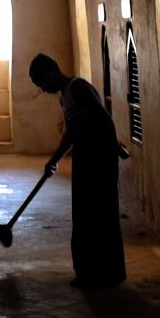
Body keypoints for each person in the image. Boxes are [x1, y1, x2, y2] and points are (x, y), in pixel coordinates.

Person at [29, 53, 126, 290]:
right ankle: (88, 272)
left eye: (42, 83)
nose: (44, 89)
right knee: (84, 217)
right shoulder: (66, 97)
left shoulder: (79, 87)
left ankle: (108, 273)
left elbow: (103, 119)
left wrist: (113, 147)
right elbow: (71, 133)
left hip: (99, 160)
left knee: (101, 215)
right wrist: (53, 160)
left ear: (51, 72)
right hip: (85, 159)